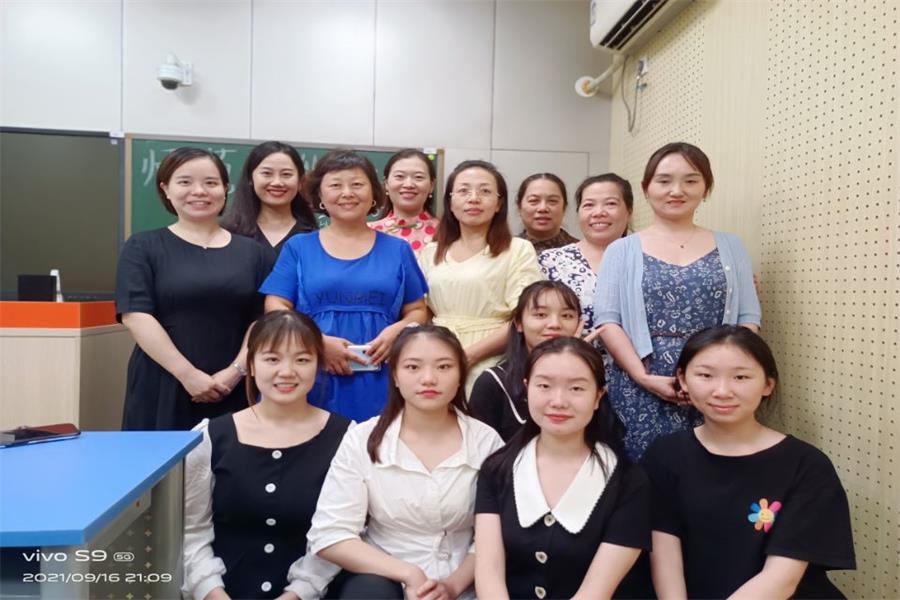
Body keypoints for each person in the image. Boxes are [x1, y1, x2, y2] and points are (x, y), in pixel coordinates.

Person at [643, 326, 855, 599]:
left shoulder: (807, 465)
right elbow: (664, 550)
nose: (722, 391)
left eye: (741, 377)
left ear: (768, 384)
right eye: (705, 375)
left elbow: (782, 579)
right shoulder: (664, 454)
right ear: (683, 379)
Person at [306, 325, 504, 600]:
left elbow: (495, 534)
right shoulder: (363, 438)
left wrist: (452, 586)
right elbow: (330, 533)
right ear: (395, 376)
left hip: (466, 582)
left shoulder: (486, 441)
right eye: (413, 367)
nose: (429, 378)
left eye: (444, 367)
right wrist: (409, 574)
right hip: (385, 583)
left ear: (460, 375)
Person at [594, 142, 761, 459]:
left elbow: (748, 318)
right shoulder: (621, 250)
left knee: (712, 467)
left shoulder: (732, 246)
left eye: (691, 180)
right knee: (643, 472)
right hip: (641, 381)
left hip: (716, 385)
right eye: (664, 180)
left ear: (706, 188)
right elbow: (607, 320)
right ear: (646, 188)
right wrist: (643, 377)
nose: (676, 190)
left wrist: (722, 372)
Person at [182, 311, 349, 600]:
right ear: (251, 365)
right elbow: (191, 532)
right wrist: (213, 594)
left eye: (302, 360)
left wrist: (297, 594)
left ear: (319, 364)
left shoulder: (347, 438)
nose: (287, 371)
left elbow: (341, 535)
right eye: (272, 359)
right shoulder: (210, 436)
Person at [475, 337, 651, 600]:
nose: (558, 401)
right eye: (544, 386)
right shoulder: (496, 470)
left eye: (576, 388)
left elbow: (596, 592)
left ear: (598, 396)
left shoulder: (629, 481)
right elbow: (489, 572)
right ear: (527, 388)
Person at [260, 149, 429, 423]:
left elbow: (418, 311)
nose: (347, 193)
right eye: (336, 185)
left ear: (374, 194)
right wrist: (316, 342)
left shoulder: (398, 249)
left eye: (357, 184)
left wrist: (397, 331)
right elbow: (275, 305)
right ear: (320, 195)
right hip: (311, 369)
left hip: (382, 372)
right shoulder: (299, 247)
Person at [115, 147, 272, 431]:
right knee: (160, 457)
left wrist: (236, 372)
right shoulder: (142, 247)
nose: (199, 191)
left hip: (235, 383)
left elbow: (262, 320)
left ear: (225, 189)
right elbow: (136, 315)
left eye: (211, 182)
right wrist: (187, 375)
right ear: (166, 189)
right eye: (185, 182)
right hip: (163, 380)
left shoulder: (254, 252)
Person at [417, 160, 542, 390]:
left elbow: (526, 317)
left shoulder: (518, 250)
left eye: (484, 191)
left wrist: (469, 356)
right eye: (464, 191)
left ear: (498, 203)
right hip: (437, 356)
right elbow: (421, 311)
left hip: (493, 360)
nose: (473, 198)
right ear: (450, 202)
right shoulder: (430, 252)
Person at [469, 280, 582, 441]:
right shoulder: (492, 382)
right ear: (519, 323)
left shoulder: (586, 380)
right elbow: (480, 448)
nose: (555, 324)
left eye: (567, 316)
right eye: (540, 315)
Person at [538, 174, 632, 337]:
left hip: (639, 354)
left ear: (629, 211)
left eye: (610, 204)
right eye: (589, 205)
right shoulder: (549, 262)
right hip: (566, 352)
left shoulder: (647, 260)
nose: (599, 212)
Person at [222, 141, 318, 257]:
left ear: (300, 182)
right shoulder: (229, 235)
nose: (277, 182)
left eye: (286, 174)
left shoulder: (313, 238)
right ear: (251, 179)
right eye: (267, 173)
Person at [368, 149, 439, 253]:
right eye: (399, 176)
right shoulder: (367, 232)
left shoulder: (446, 233)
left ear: (431, 186)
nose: (408, 184)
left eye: (418, 177)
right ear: (386, 184)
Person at [515, 173, 579, 252]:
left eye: (552, 201)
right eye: (534, 200)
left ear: (564, 207)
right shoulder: (506, 249)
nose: (543, 208)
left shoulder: (581, 251)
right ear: (519, 207)